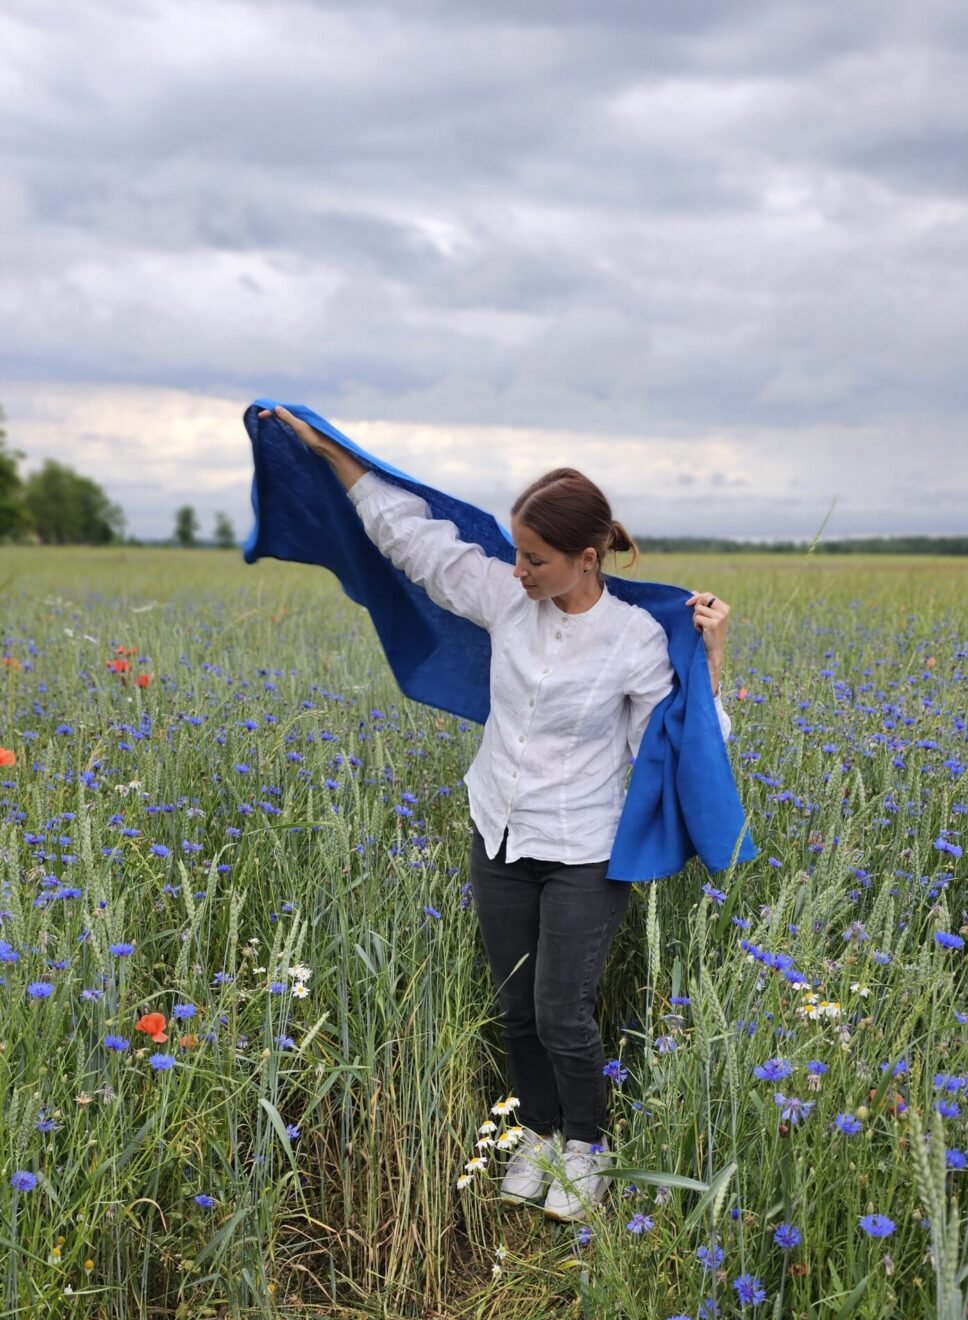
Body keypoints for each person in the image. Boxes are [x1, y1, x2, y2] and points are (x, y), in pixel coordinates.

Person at [259, 405, 732, 1222]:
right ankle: (539, 1133)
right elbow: (414, 540)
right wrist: (328, 448)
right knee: (516, 1004)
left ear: (586, 559)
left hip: (583, 846)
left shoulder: (632, 640)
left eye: (535, 558)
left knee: (561, 1011)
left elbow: (687, 742)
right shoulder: (507, 599)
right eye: (515, 551)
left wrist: (715, 657)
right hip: (497, 831)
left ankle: (588, 1143)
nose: (517, 569)